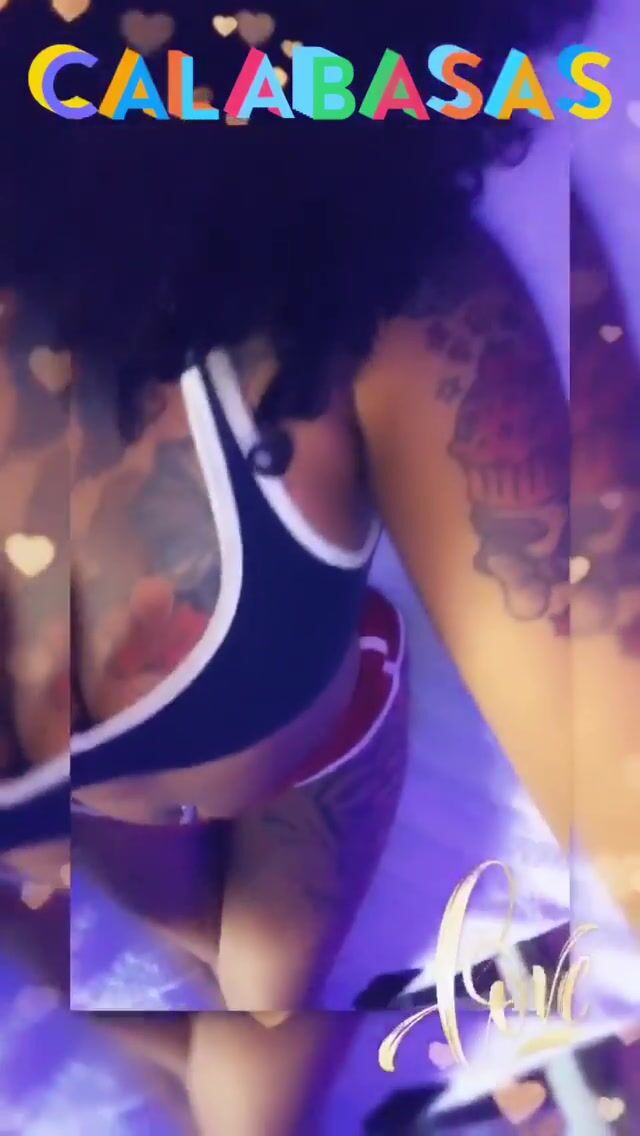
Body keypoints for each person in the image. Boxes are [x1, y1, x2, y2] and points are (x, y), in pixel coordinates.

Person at [0, 0, 606, 1130]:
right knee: (196, 999)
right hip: (124, 816)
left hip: (301, 769)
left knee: (251, 1037)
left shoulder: (398, 305)